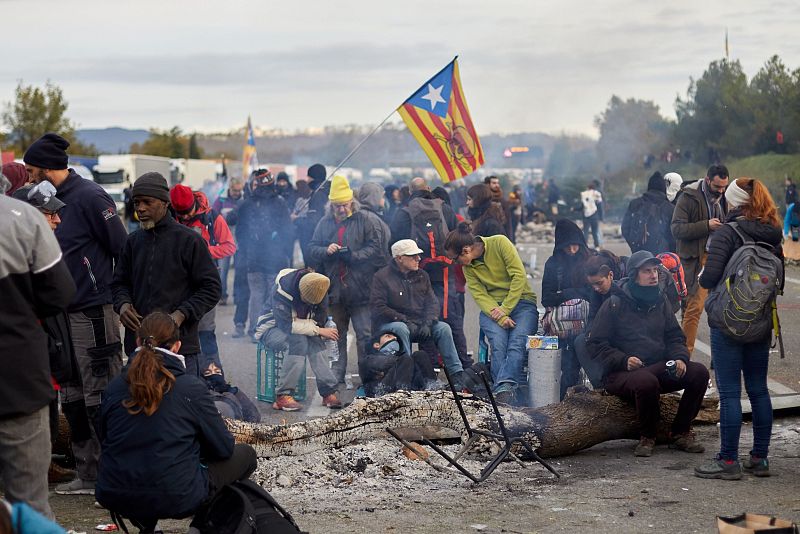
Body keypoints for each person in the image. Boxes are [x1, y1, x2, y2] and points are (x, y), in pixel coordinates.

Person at [24, 132, 128, 497]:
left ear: (49, 168)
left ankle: (115, 475)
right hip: (58, 315)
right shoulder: (40, 200)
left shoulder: (90, 197)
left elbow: (122, 248)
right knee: (71, 395)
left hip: (92, 309)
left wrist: (117, 297)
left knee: (101, 394)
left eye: (32, 170)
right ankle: (87, 471)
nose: (29, 177)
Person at [96, 312, 257, 532]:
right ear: (177, 346)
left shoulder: (114, 387)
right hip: (178, 495)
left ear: (137, 341)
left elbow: (104, 437)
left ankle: (147, 527)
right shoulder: (190, 387)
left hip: (114, 492)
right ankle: (201, 527)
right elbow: (223, 447)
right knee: (246, 455)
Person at [694, 178, 783, 480]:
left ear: (734, 201)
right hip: (760, 322)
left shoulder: (728, 232)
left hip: (728, 322)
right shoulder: (773, 233)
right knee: (758, 389)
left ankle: (728, 460)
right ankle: (760, 458)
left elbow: (709, 279)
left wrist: (703, 276)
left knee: (731, 392)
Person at [587, 251, 710, 457]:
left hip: (657, 366)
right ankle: (648, 436)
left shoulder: (660, 300)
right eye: (647, 271)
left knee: (699, 373)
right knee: (646, 382)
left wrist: (680, 358)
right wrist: (623, 360)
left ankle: (680, 432)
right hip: (620, 373)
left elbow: (674, 336)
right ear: (634, 274)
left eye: (655, 270)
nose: (653, 275)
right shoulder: (615, 303)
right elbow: (595, 344)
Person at [0, 189, 75, 518]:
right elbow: (60, 293)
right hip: (17, 380)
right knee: (30, 505)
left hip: (18, 379)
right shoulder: (22, 218)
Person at [111, 172, 222, 377]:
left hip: (180, 348)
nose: (140, 208)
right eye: (136, 203)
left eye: (147, 202)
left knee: (180, 398)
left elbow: (211, 288)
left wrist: (181, 315)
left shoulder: (189, 241)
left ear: (165, 203)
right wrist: (123, 305)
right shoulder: (132, 242)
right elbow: (119, 283)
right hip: (139, 348)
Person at [444, 224, 537, 403]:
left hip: (522, 303)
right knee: (498, 344)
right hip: (493, 310)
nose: (456, 263)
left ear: (466, 250)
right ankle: (504, 392)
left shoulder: (500, 243)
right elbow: (480, 295)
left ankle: (503, 387)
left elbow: (518, 276)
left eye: (455, 259)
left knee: (517, 343)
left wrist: (505, 309)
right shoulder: (468, 268)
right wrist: (501, 316)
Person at [308, 175, 386, 384]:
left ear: (352, 202)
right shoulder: (325, 223)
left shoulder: (365, 220)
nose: (341, 209)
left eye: (344, 205)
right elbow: (312, 247)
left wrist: (353, 255)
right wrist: (326, 250)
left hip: (361, 289)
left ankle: (367, 375)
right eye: (337, 206)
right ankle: (337, 373)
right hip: (335, 290)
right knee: (337, 334)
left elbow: (376, 249)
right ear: (331, 206)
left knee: (365, 335)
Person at [370, 239, 466, 389]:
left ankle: (457, 376)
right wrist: (403, 319)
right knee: (401, 328)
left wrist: (429, 322)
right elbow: (378, 307)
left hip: (420, 323)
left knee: (443, 328)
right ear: (399, 258)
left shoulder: (422, 275)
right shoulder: (381, 277)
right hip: (391, 325)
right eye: (413, 256)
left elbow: (432, 303)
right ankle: (406, 375)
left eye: (418, 255)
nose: (418, 259)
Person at [170, 184, 236, 374]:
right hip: (177, 281)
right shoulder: (170, 217)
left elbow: (229, 246)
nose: (184, 217)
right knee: (180, 329)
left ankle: (212, 370)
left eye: (187, 212)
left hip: (205, 281)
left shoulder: (212, 217)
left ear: (194, 203)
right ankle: (184, 372)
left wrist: (204, 250)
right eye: (180, 214)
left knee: (205, 328)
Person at [260, 269, 342, 410]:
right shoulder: (282, 290)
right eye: (306, 301)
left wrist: (317, 330)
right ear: (299, 291)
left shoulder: (320, 291)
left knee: (315, 341)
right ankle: (283, 396)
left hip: (299, 330)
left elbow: (318, 322)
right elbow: (286, 325)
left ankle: (328, 391)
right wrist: (317, 330)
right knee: (298, 342)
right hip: (271, 328)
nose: (309, 305)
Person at [671, 164, 729, 356]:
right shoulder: (688, 197)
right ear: (707, 180)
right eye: (717, 187)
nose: (721, 191)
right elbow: (677, 229)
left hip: (720, 257)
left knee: (720, 308)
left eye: (724, 187)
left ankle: (719, 355)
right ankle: (684, 357)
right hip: (696, 259)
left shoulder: (726, 197)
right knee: (693, 308)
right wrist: (706, 225)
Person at [231, 169, 293, 342]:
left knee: (256, 295)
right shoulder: (279, 203)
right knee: (272, 295)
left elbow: (239, 230)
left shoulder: (247, 203)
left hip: (254, 259)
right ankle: (269, 330)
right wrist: (286, 252)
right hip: (274, 259)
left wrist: (246, 250)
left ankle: (255, 330)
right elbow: (288, 230)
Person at [541, 219, 593, 399]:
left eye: (575, 245)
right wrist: (574, 293)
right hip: (563, 328)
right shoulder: (553, 264)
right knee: (567, 367)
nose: (572, 250)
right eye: (567, 246)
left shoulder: (590, 260)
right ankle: (563, 400)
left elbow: (595, 291)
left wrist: (565, 293)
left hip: (588, 323)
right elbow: (546, 298)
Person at [621, 171, 676, 254]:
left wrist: (634, 245)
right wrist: (670, 250)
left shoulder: (635, 204)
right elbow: (674, 235)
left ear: (649, 187)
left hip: (639, 254)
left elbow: (625, 228)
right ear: (663, 188)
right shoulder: (670, 208)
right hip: (663, 255)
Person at [212, 177, 245, 305]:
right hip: (224, 241)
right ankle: (222, 296)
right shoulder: (221, 200)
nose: (237, 193)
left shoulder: (243, 200)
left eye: (239, 190)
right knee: (223, 271)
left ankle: (237, 296)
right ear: (230, 188)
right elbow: (212, 216)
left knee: (239, 270)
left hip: (239, 240)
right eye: (235, 190)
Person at [294, 163, 330, 268]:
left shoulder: (318, 195)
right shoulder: (326, 191)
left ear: (314, 177)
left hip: (316, 242)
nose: (307, 180)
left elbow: (313, 222)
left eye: (309, 177)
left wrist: (296, 219)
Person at [356, 181, 392, 255]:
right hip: (376, 261)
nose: (384, 199)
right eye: (382, 196)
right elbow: (377, 248)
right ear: (374, 197)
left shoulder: (364, 214)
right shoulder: (370, 218)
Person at [483, 175, 513, 240]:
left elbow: (508, 219)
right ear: (488, 184)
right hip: (485, 233)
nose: (497, 185)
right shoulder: (483, 199)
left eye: (497, 183)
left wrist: (510, 238)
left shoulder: (502, 200)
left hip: (500, 232)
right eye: (494, 183)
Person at [580, 182, 603, 248]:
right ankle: (597, 246)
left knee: (586, 231)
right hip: (594, 215)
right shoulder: (597, 194)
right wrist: (601, 217)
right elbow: (599, 206)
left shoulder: (583, 194)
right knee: (594, 232)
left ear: (588, 188)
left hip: (586, 215)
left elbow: (582, 206)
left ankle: (585, 245)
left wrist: (574, 209)